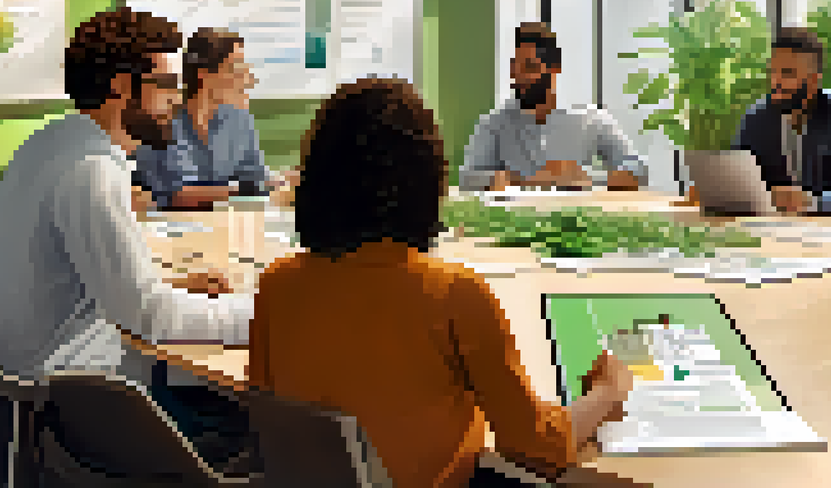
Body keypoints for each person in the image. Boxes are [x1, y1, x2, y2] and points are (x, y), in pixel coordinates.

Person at [249, 77, 634, 488]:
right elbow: (538, 448)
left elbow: (265, 424)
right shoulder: (453, 295)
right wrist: (606, 395)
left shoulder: (276, 285)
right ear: (427, 178)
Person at [0, 8, 257, 468]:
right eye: (167, 84)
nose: (177, 98)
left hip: (38, 379)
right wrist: (265, 314)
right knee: (249, 413)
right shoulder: (91, 170)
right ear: (122, 86)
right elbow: (148, 316)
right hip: (80, 400)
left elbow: (110, 286)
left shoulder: (54, 142)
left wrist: (167, 285)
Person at [461, 22, 647, 192]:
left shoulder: (589, 119)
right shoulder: (495, 123)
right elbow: (467, 179)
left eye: (530, 68)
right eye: (515, 68)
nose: (520, 78)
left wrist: (584, 177)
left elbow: (638, 170)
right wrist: (524, 180)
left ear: (554, 68)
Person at [730, 26, 831, 215]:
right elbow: (736, 184)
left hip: (828, 234)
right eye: (772, 72)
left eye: (787, 73)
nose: (776, 81)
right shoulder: (755, 119)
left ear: (814, 81)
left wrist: (810, 201)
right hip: (767, 230)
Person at [133, 27, 275, 211]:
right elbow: (179, 196)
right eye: (235, 69)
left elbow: (256, 178)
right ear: (204, 74)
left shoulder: (240, 120)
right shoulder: (163, 121)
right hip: (171, 228)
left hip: (225, 224)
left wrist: (263, 185)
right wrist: (251, 188)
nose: (248, 79)